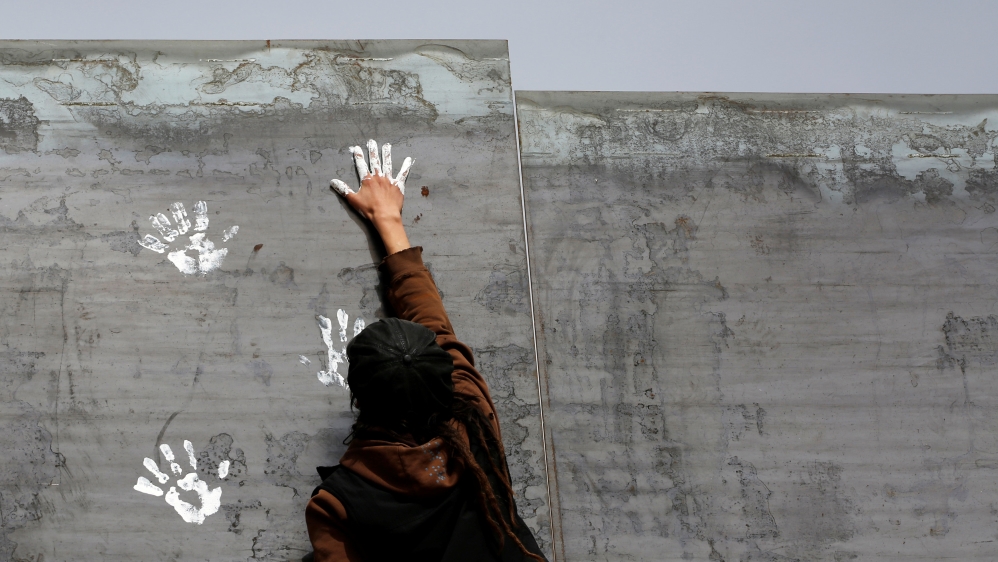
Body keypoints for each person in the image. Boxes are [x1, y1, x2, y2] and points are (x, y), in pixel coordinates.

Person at [305, 140, 547, 562]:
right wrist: (389, 220)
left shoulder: (337, 505)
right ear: (445, 380)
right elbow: (434, 323)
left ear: (358, 397)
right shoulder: (475, 421)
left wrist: (384, 218)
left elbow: (434, 328)